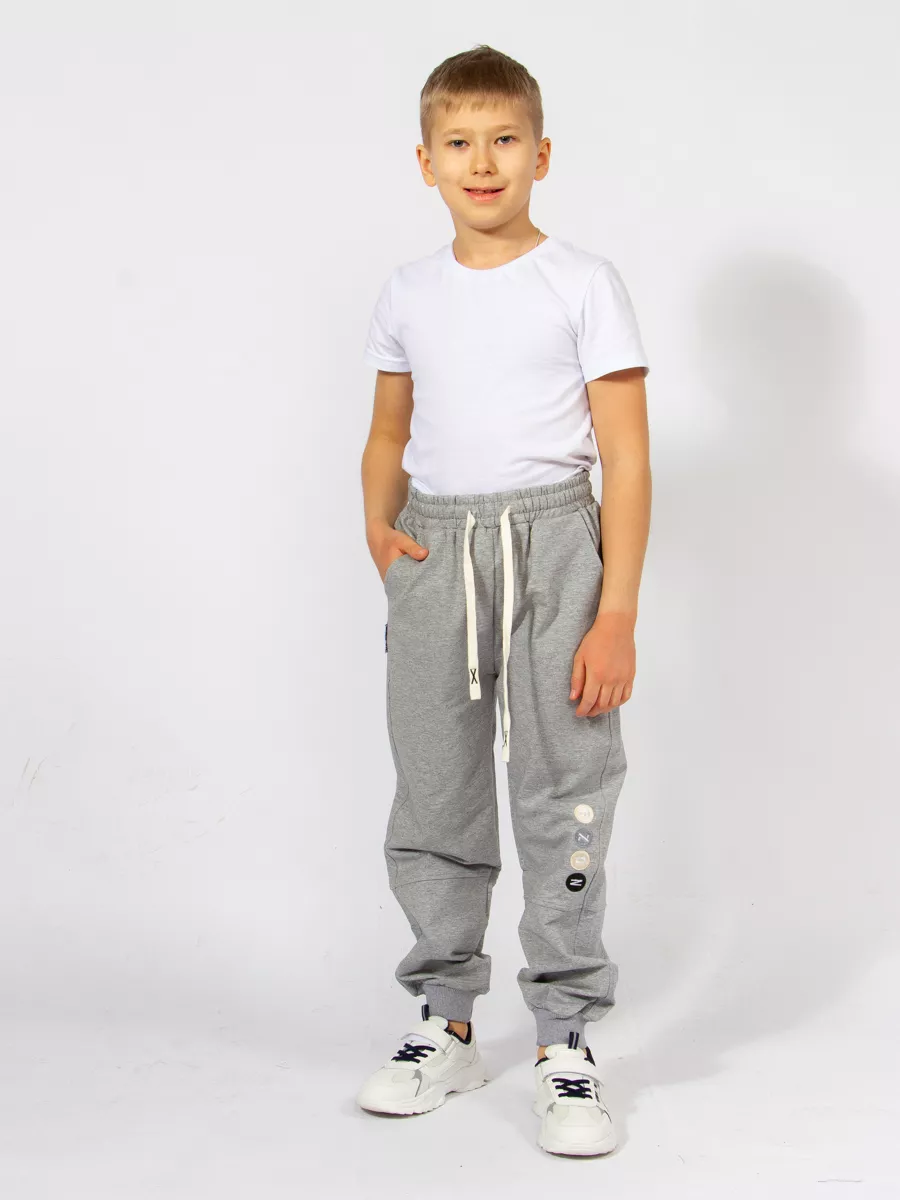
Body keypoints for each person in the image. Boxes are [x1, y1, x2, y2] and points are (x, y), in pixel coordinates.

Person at [356, 44, 651, 1158]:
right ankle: (446, 1020)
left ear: (541, 153)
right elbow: (388, 432)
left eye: (504, 140)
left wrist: (615, 612)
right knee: (435, 788)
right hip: (438, 550)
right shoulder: (407, 292)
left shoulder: (582, 282)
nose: (483, 162)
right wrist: (382, 535)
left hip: (557, 549)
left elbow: (627, 456)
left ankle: (565, 1037)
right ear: (426, 161)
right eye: (459, 143)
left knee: (565, 787)